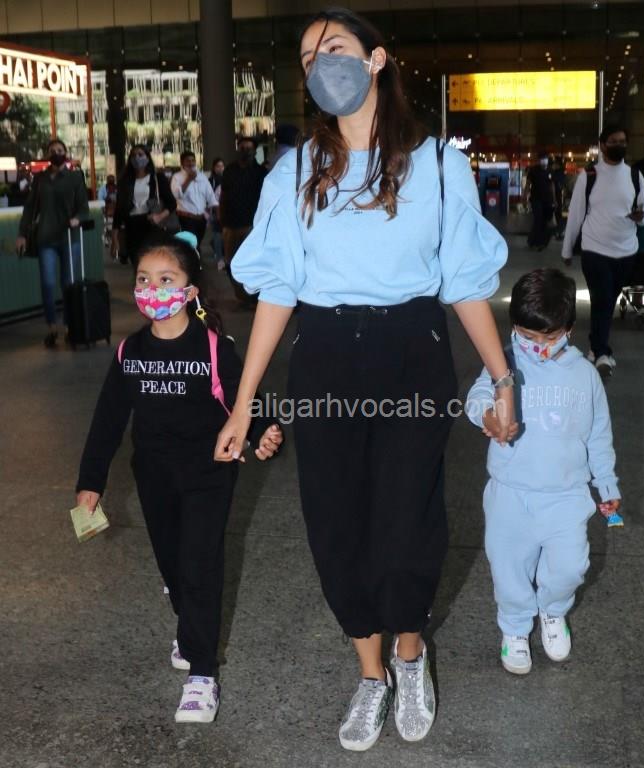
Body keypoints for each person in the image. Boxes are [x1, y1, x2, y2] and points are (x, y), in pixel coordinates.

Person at [216, 7, 516, 752]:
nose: (322, 63)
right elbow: (278, 290)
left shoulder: (438, 165)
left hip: (411, 350)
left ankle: (410, 654)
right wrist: (243, 403)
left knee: (408, 519)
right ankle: (370, 673)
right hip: (325, 355)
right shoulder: (294, 172)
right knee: (335, 522)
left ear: (377, 59)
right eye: (308, 56)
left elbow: (464, 281)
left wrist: (502, 376)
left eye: (336, 47)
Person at [75, 231, 283, 724]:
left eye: (166, 279)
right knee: (173, 565)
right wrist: (90, 482)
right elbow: (107, 421)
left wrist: (264, 433)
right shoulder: (130, 352)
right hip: (154, 475)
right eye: (144, 279)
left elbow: (247, 399)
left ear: (190, 291)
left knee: (199, 564)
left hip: (210, 472)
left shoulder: (212, 348)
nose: (153, 289)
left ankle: (202, 674)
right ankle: (188, 621)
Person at [466, 267, 620, 675]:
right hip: (510, 492)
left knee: (571, 566)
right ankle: (515, 627)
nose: (537, 347)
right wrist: (488, 415)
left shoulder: (585, 376)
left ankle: (553, 610)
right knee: (508, 567)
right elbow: (478, 394)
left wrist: (606, 483)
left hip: (566, 495)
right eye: (526, 335)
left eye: (548, 338)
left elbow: (598, 434)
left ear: (569, 329)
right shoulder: (504, 363)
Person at [561, 126, 644, 378]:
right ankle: (603, 353)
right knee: (602, 300)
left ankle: (595, 347)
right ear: (602, 145)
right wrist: (567, 249)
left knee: (607, 302)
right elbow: (576, 214)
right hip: (595, 249)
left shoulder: (635, 175)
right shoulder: (589, 176)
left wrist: (641, 217)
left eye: (622, 141)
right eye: (613, 141)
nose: (619, 145)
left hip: (626, 251)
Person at [16, 138, 89, 348]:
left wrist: (77, 219)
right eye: (52, 150)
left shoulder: (75, 177)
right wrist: (22, 234)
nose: (56, 153)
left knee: (68, 284)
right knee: (47, 284)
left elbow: (83, 208)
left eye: (60, 149)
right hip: (45, 238)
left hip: (69, 237)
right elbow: (30, 208)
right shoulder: (40, 179)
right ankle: (51, 327)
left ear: (65, 152)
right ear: (48, 155)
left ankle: (69, 327)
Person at [112, 145, 177, 267]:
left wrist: (159, 216)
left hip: (152, 225)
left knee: (152, 263)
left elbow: (172, 203)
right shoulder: (125, 181)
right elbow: (119, 209)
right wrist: (115, 236)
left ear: (147, 157)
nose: (137, 158)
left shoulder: (157, 178)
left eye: (140, 154)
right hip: (132, 225)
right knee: (137, 264)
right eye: (134, 155)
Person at [219, 137, 267, 303]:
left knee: (250, 261)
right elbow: (223, 195)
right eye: (242, 148)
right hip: (230, 223)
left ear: (254, 151)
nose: (245, 151)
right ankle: (240, 293)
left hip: (251, 224)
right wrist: (221, 218)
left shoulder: (260, 172)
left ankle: (250, 294)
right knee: (230, 261)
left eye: (249, 148)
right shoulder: (230, 170)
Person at [171, 151, 217, 247]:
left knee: (198, 243)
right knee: (189, 244)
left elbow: (210, 195)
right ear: (182, 163)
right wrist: (189, 179)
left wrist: (215, 208)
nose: (191, 163)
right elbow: (176, 195)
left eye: (193, 160)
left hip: (201, 218)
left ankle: (197, 255)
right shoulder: (177, 177)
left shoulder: (201, 176)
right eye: (188, 161)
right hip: (186, 218)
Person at [523, 151, 556, 250]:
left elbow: (552, 185)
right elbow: (528, 184)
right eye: (542, 159)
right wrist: (525, 196)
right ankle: (535, 241)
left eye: (545, 159)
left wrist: (554, 199)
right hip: (536, 199)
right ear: (539, 160)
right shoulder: (533, 171)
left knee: (544, 221)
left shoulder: (550, 170)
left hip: (548, 200)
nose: (544, 161)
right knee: (538, 219)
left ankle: (537, 241)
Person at [208, 158, 225, 271]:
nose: (220, 168)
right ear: (214, 167)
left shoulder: (226, 179)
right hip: (215, 210)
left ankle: (219, 252)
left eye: (222, 166)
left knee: (221, 235)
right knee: (217, 234)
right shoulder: (211, 180)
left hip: (225, 210)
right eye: (218, 166)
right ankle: (220, 258)